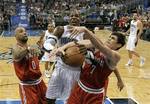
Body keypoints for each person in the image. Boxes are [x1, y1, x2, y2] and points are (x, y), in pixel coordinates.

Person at [54, 26, 126, 104]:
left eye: (113, 38)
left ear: (119, 45)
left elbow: (100, 46)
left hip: (94, 94)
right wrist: (62, 48)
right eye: (109, 37)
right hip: (80, 87)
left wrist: (86, 30)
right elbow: (75, 43)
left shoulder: (115, 56)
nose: (109, 39)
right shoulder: (97, 46)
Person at [46, 9, 85, 104]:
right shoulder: (61, 29)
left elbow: (92, 51)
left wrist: (87, 53)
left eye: (76, 16)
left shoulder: (85, 33)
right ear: (68, 18)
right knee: (49, 98)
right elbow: (46, 44)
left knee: (70, 100)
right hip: (59, 67)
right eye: (71, 16)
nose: (73, 17)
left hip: (75, 71)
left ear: (81, 18)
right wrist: (54, 50)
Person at [12, 27, 47, 104]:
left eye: (25, 31)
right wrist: (28, 49)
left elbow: (39, 57)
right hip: (27, 86)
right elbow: (17, 55)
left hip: (40, 83)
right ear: (15, 36)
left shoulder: (31, 47)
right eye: (21, 31)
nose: (24, 33)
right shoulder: (16, 48)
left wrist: (44, 46)